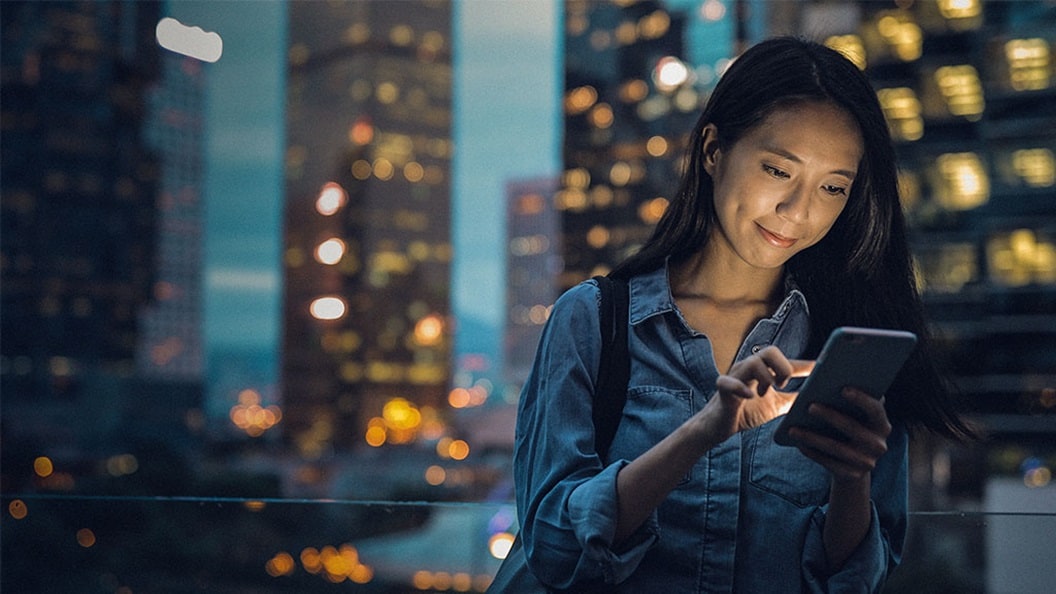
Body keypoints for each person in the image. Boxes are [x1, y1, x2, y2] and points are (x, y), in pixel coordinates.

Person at [512, 37, 973, 593]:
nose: (798, 210)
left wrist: (852, 479)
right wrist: (704, 429)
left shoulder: (850, 345)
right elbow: (555, 549)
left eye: (831, 187)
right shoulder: (594, 322)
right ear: (712, 151)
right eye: (779, 171)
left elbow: (856, 581)